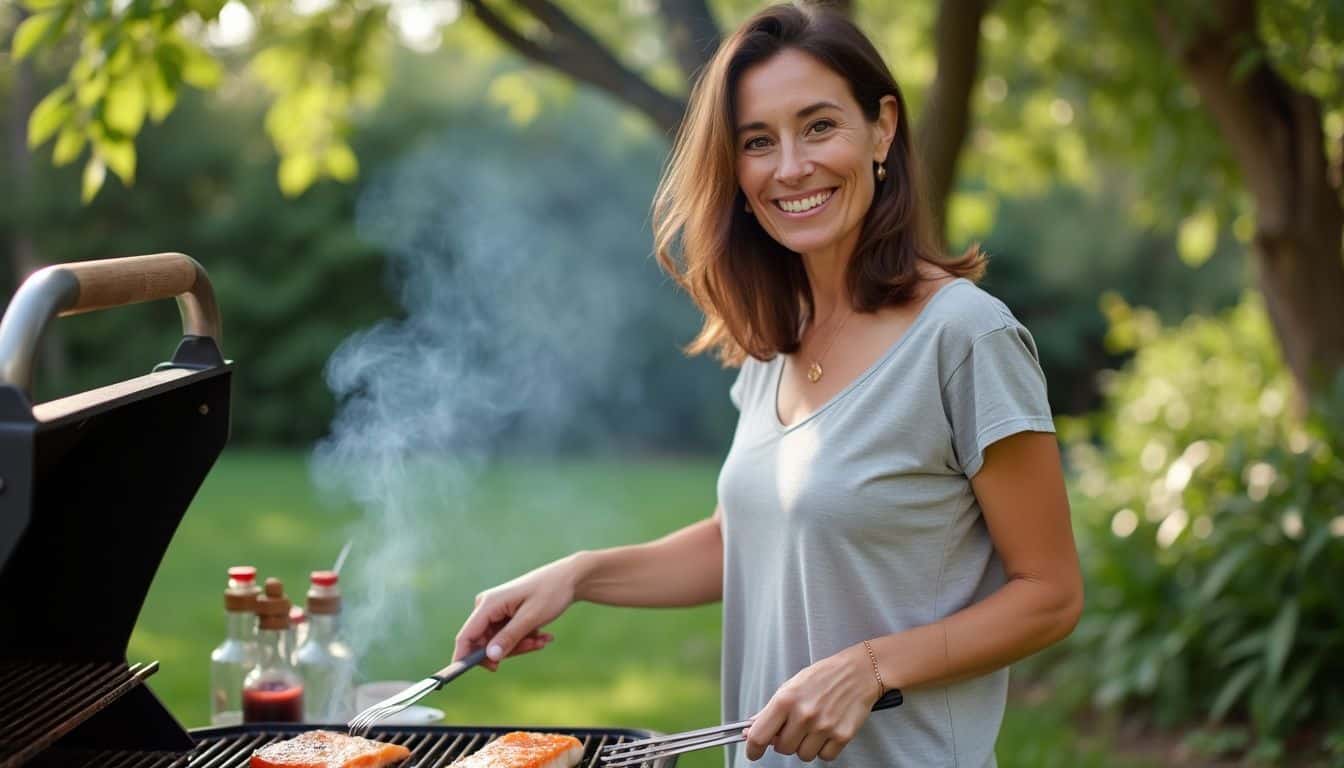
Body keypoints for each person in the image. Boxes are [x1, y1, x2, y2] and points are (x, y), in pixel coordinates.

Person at [453, 3, 1083, 765]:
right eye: (758, 142)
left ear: (882, 128)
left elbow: (1049, 595)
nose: (790, 167)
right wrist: (580, 575)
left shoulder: (966, 338)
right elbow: (743, 541)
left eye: (819, 126)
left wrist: (873, 666)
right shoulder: (773, 342)